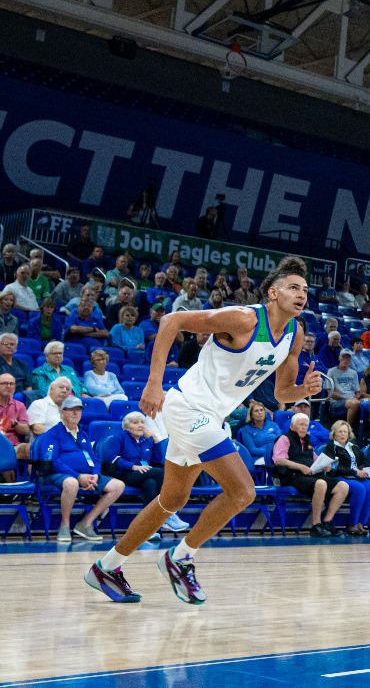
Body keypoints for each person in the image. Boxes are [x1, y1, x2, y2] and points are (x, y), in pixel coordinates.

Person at [83, 257, 323, 605]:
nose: (301, 295)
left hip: (212, 417)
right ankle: (180, 557)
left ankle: (106, 567)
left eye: (304, 290)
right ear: (272, 292)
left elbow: (283, 393)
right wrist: (154, 382)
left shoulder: (294, 334)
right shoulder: (243, 318)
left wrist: (304, 390)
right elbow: (171, 320)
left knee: (173, 499)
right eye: (293, 287)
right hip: (187, 409)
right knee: (243, 492)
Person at [33, 395, 126, 543]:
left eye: (79, 410)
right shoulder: (52, 434)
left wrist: (95, 475)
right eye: (71, 410)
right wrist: (78, 476)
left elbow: (94, 459)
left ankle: (86, 523)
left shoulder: (83, 433)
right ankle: (64, 525)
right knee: (72, 483)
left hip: (86, 475)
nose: (76, 413)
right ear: (62, 411)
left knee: (118, 485)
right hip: (58, 475)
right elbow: (52, 461)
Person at [106, 412, 190, 534]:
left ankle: (149, 529)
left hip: (144, 474)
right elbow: (112, 458)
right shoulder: (119, 437)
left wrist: (155, 441)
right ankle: (168, 513)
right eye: (135, 423)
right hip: (124, 474)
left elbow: (156, 460)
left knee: (150, 484)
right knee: (160, 473)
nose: (140, 425)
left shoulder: (147, 440)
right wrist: (132, 466)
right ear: (127, 427)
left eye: (142, 422)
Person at [318, 421, 370, 536]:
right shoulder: (331, 447)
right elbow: (334, 468)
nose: (342, 434)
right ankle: (352, 524)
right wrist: (354, 471)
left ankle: (361, 523)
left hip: (355, 477)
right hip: (340, 477)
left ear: (349, 434)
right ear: (334, 433)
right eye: (340, 431)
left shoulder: (353, 447)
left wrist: (362, 470)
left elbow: (363, 461)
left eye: (345, 432)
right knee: (359, 488)